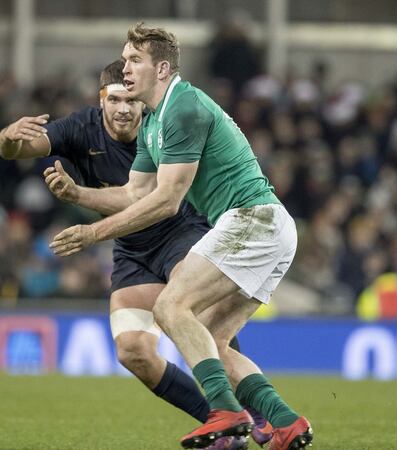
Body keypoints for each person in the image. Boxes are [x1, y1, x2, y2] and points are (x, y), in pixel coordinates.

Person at [48, 24, 313, 450]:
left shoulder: (183, 107)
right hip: (264, 228)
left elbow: (167, 201)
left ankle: (225, 413)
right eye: (125, 59)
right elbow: (136, 192)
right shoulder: (153, 120)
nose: (126, 68)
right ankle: (285, 423)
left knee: (171, 306)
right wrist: (79, 194)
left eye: (135, 60)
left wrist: (92, 233)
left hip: (252, 220)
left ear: (163, 68)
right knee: (212, 338)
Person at [0, 60, 266, 450]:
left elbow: (148, 199)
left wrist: (78, 197)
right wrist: (9, 135)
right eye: (114, 100)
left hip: (181, 231)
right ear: (100, 100)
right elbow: (14, 149)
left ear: (142, 102)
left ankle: (254, 408)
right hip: (131, 249)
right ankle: (220, 422)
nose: (123, 109)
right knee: (133, 352)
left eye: (130, 101)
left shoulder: (164, 124)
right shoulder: (79, 129)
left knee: (203, 319)